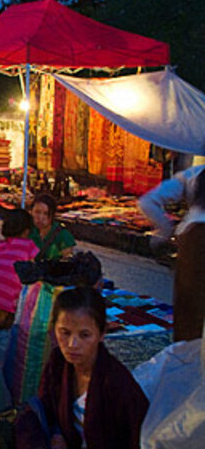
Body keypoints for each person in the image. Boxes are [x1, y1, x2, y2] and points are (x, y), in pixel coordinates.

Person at [18, 287, 148, 449]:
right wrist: (57, 434)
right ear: (54, 329)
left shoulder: (117, 383)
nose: (72, 345)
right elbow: (45, 408)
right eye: (65, 333)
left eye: (84, 335)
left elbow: (137, 439)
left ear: (102, 334)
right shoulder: (58, 361)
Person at [139, 164, 205, 341]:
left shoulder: (193, 174)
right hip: (195, 241)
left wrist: (165, 229)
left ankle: (189, 357)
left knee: (189, 309)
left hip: (195, 242)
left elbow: (147, 202)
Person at [29, 193, 76, 261]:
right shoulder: (28, 232)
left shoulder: (63, 236)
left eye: (46, 214)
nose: (41, 218)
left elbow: (67, 265)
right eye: (37, 212)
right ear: (31, 212)